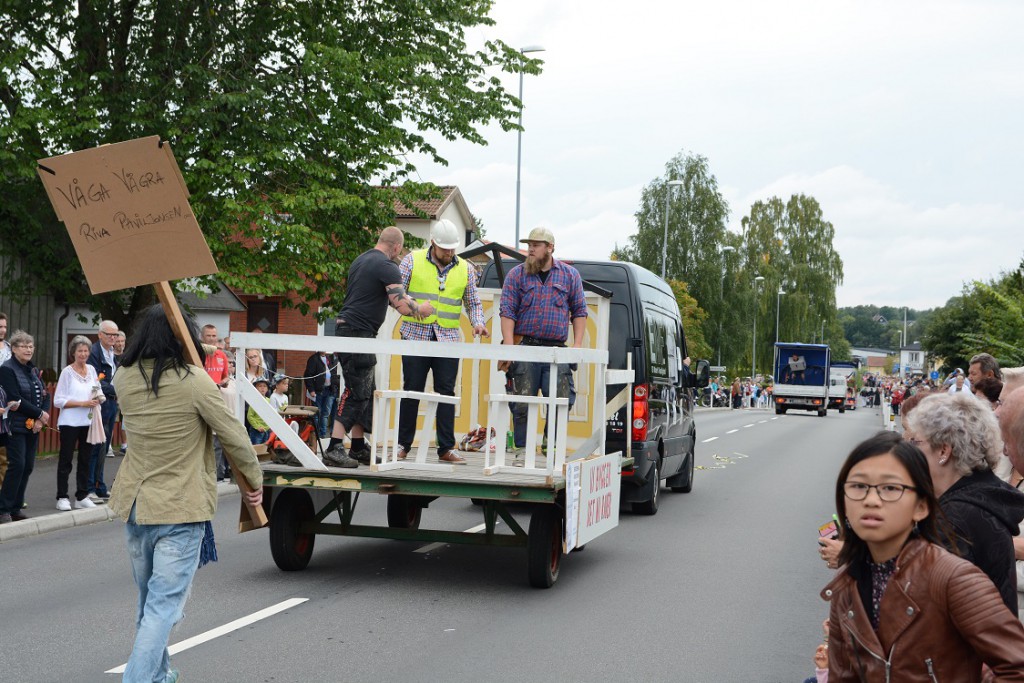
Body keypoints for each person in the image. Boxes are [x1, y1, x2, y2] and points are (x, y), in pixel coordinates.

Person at [109, 304, 263, 683]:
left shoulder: (123, 378)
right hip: (180, 508)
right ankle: (137, 679)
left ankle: (158, 675)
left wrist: (203, 348)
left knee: (149, 605)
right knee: (162, 609)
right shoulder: (194, 381)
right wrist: (254, 482)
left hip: (136, 505)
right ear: (183, 340)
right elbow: (233, 435)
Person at [822, 431, 1024, 680]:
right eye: (859, 486)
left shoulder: (954, 578)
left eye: (890, 488)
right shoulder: (846, 586)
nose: (871, 500)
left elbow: (1017, 668)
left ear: (921, 506)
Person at [323, 226, 433, 468]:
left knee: (367, 390)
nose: (399, 254)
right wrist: (421, 310)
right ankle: (334, 447)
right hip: (357, 333)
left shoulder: (361, 260)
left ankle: (359, 446)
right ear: (395, 247)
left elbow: (394, 299)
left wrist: (409, 302)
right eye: (399, 250)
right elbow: (401, 305)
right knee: (356, 391)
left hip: (351, 330)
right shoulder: (387, 265)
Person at [904, 392, 1024, 613]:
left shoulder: (953, 519)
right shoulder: (982, 500)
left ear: (943, 451)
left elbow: (930, 612)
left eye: (914, 442)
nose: (907, 451)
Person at [395, 219, 487, 465]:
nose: (449, 252)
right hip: (415, 335)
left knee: (446, 393)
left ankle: (446, 448)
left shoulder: (466, 269)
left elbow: (473, 302)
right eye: (445, 248)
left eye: (452, 248)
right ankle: (403, 444)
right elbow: (396, 294)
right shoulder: (411, 261)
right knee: (411, 389)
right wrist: (414, 307)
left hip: (447, 338)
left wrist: (478, 322)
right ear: (433, 243)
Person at [497, 227, 587, 465]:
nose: (531, 250)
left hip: (557, 350)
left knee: (561, 401)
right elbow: (507, 310)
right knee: (522, 402)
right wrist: (509, 347)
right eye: (529, 246)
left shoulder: (569, 276)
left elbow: (579, 311)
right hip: (525, 346)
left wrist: (577, 345)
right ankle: (521, 452)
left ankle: (553, 451)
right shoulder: (516, 275)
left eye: (536, 245)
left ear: (550, 248)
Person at [0, 330, 50, 524]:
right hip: (15, 426)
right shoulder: (6, 369)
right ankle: (3, 508)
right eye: (24, 346)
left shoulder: (32, 369)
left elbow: (45, 394)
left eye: (31, 346)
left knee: (28, 466)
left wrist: (41, 418)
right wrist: (38, 414)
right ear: (13, 349)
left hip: (33, 426)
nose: (29, 349)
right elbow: (14, 398)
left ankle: (15, 507)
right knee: (17, 464)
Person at [52, 335, 103, 511]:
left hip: (88, 422)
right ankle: (62, 496)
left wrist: (98, 399)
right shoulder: (67, 372)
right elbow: (58, 400)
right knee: (66, 460)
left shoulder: (92, 370)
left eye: (86, 350)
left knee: (85, 459)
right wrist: (82, 403)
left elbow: (97, 389)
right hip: (69, 422)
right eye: (79, 350)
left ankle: (82, 495)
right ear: (73, 352)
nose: (83, 354)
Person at [87, 319, 120, 498]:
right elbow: (97, 380)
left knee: (105, 446)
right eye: (109, 334)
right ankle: (91, 486)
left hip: (112, 402)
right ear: (100, 334)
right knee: (96, 446)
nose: (113, 338)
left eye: (115, 334)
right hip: (100, 402)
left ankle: (99, 485)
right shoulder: (94, 352)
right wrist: (116, 390)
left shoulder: (113, 353)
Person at [304, 351, 336, 438]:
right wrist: (311, 390)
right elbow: (308, 375)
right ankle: (316, 435)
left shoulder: (329, 358)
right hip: (317, 391)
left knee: (325, 414)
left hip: (328, 390)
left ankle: (322, 435)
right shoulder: (313, 359)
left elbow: (333, 373)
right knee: (317, 413)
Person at [246, 377, 272, 445]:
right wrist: (257, 427)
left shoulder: (269, 401)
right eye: (260, 386)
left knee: (266, 449)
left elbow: (271, 415)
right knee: (256, 449)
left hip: (267, 429)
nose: (262, 388)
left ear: (267, 388)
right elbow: (250, 416)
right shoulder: (254, 401)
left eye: (264, 386)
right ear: (255, 388)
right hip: (257, 430)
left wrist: (270, 426)